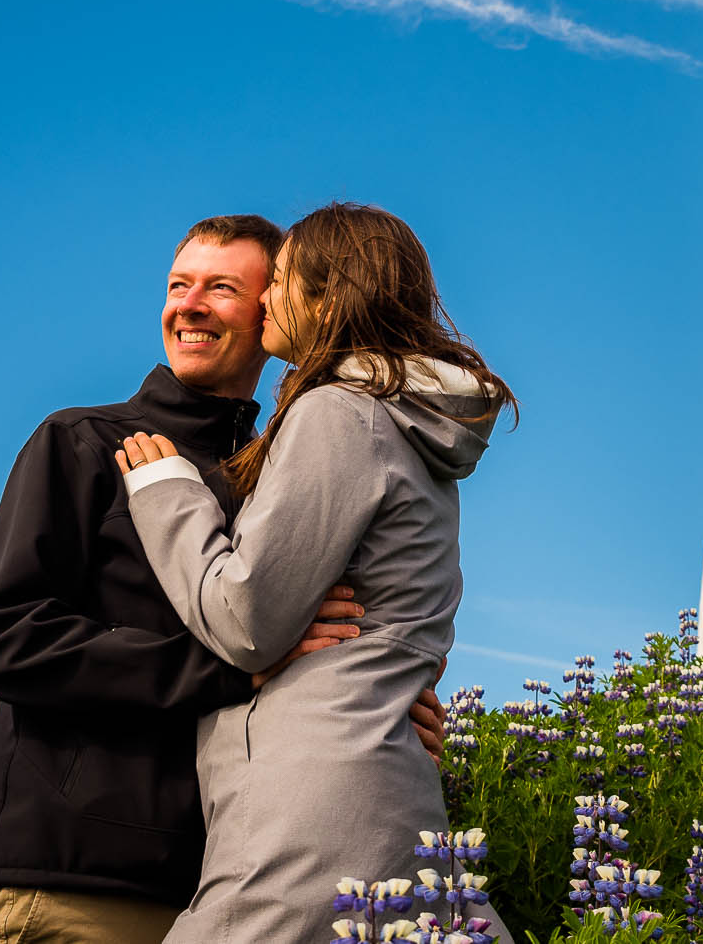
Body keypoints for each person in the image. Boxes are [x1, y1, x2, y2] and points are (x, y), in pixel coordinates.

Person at [0, 214, 447, 944]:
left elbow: (340, 625)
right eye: (177, 285)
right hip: (80, 885)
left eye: (221, 288)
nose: (187, 305)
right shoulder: (82, 442)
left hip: (241, 877)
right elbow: (6, 642)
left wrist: (375, 700)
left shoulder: (286, 467)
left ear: (276, 308)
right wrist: (230, 671)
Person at [115, 202, 511, 944]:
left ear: (327, 301)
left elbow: (246, 621)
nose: (265, 298)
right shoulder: (410, 423)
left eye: (284, 281)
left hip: (313, 791)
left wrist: (168, 493)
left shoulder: (340, 413)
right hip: (381, 772)